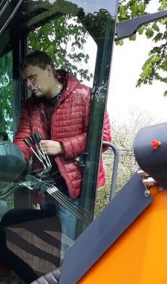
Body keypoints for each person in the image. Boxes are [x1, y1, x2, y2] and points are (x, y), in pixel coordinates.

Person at [13, 50, 111, 253]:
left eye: (33, 77)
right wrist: (13, 160)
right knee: (48, 248)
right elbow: (23, 137)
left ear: (49, 70)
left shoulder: (85, 95)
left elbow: (102, 138)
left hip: (74, 186)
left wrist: (62, 146)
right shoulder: (31, 106)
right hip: (44, 186)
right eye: (26, 80)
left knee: (68, 249)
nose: (29, 84)